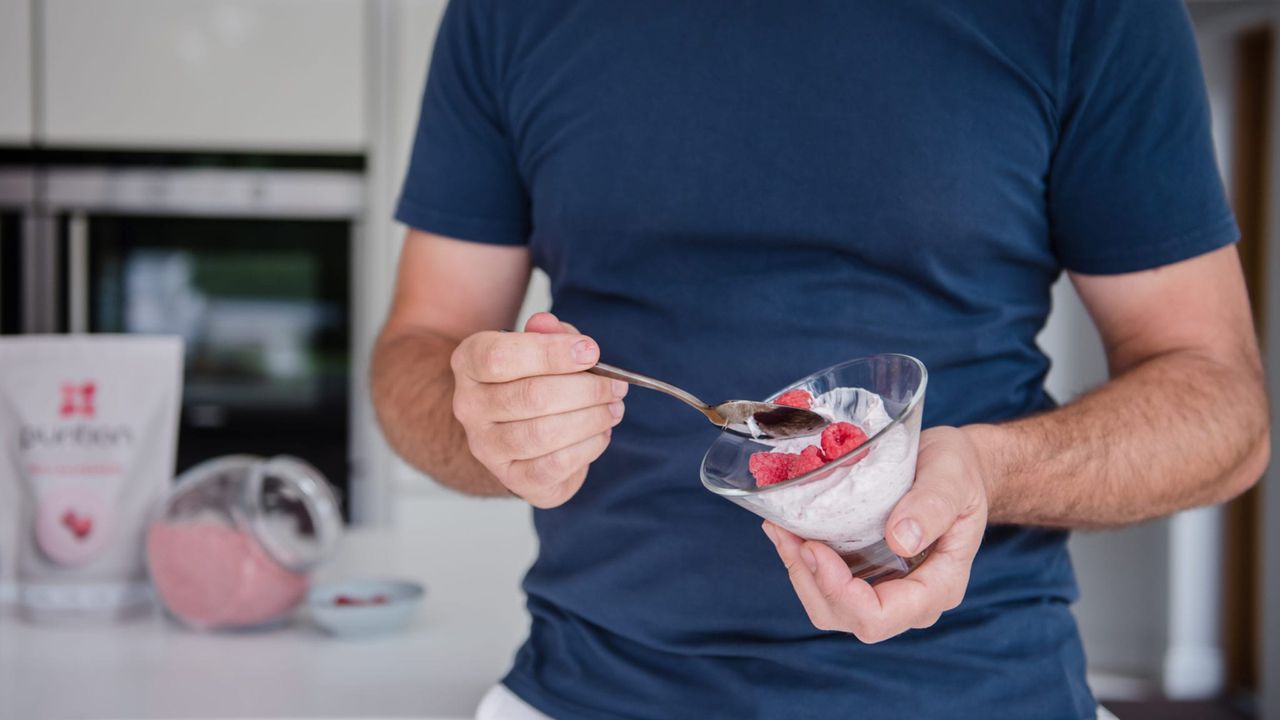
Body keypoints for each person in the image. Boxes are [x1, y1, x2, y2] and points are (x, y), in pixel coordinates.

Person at [371, 1, 1270, 717]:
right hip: (587, 689)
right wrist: (480, 416)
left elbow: (1224, 412)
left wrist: (992, 470)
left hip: (974, 690)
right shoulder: (508, 13)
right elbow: (416, 351)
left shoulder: (1090, 12)